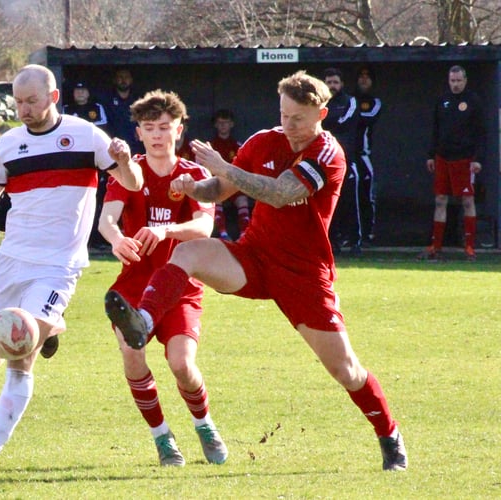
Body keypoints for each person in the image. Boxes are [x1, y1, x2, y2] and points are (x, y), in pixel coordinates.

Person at [104, 70, 408, 472]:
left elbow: (281, 193)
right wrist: (192, 187)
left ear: (322, 113)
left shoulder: (328, 153)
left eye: (297, 118)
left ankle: (389, 435)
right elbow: (218, 191)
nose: (289, 125)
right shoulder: (264, 140)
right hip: (254, 258)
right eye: (283, 115)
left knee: (346, 370)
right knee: (190, 253)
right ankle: (143, 320)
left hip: (302, 275)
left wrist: (223, 167)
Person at [0, 64, 143, 477]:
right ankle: (51, 326)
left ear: (53, 97)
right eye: (18, 102)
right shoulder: (8, 145)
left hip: (58, 265)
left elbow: (134, 182)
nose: (24, 109)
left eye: (32, 101)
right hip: (12, 260)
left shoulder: (86, 135)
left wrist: (124, 163)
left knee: (21, 353)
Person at [99, 89, 226, 467]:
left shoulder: (193, 174)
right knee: (131, 355)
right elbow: (106, 218)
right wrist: (116, 238)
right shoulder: (127, 170)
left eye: (164, 127)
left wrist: (166, 230)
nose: (157, 134)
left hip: (179, 286)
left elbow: (204, 226)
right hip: (132, 287)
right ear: (138, 132)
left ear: (179, 131)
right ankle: (162, 438)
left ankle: (204, 425)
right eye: (149, 127)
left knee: (182, 365)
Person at [419, 65, 486, 262]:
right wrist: (431, 154)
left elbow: (482, 133)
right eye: (452, 81)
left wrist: (479, 159)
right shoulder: (442, 101)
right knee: (440, 200)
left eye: (459, 81)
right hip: (443, 158)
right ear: (449, 81)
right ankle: (435, 246)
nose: (455, 84)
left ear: (465, 80)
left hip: (465, 159)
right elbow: (435, 129)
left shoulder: (473, 101)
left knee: (467, 201)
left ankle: (470, 248)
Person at [63, 80, 110, 251]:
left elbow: (101, 132)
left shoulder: (97, 108)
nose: (80, 94)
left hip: (95, 162)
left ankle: (97, 239)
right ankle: (79, 240)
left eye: (83, 90)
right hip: (73, 163)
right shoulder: (66, 109)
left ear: (88, 93)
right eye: (77, 90)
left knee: (98, 201)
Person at [322, 67, 361, 255]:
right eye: (329, 82)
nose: (332, 86)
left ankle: (356, 241)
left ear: (342, 84)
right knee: (328, 203)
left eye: (335, 82)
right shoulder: (318, 102)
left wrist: (326, 122)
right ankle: (331, 241)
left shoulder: (350, 101)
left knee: (351, 202)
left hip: (346, 160)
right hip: (323, 164)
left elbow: (342, 122)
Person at [208, 109, 250, 241]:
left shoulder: (238, 146)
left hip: (233, 185)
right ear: (215, 125)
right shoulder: (211, 146)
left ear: (231, 124)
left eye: (225, 123)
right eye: (219, 123)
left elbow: (245, 168)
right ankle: (223, 234)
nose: (222, 126)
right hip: (218, 184)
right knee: (216, 200)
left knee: (242, 200)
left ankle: (244, 234)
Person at [354, 65, 382, 246]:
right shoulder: (349, 99)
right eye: (361, 77)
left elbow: (369, 117)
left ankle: (367, 233)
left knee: (367, 195)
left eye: (368, 77)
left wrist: (350, 114)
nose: (364, 80)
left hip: (363, 155)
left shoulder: (374, 102)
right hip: (345, 155)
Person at [103, 68, 144, 154]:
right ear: (115, 80)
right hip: (114, 145)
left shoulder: (139, 99)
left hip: (135, 145)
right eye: (120, 77)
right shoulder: (107, 99)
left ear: (131, 80)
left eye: (126, 77)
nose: (123, 80)